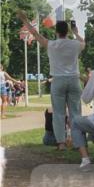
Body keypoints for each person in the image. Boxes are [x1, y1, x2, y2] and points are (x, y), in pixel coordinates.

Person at [18, 12, 85, 150]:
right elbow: (83, 43)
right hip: (74, 79)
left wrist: (25, 20)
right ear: (67, 31)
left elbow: (35, 34)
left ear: (56, 32)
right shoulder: (75, 44)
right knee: (76, 113)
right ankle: (77, 142)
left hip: (58, 80)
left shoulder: (51, 44)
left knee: (59, 113)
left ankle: (61, 143)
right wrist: (76, 33)